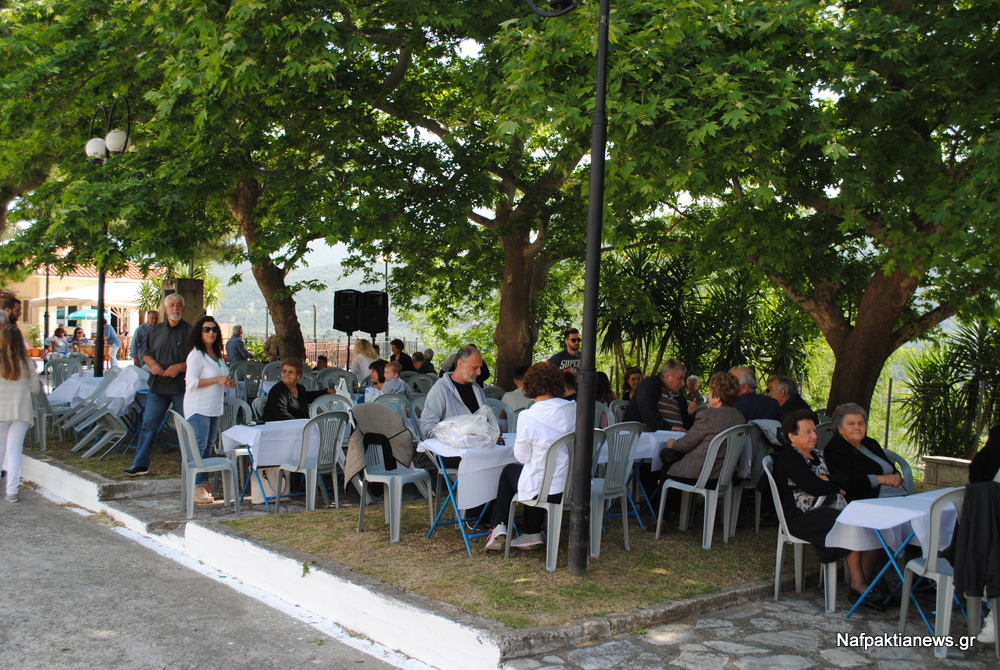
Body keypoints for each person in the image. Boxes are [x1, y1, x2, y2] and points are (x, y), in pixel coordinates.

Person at [773, 409, 884, 610]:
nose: (815, 436)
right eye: (808, 432)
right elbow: (813, 487)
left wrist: (829, 480)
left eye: (814, 431)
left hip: (828, 509)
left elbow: (845, 479)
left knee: (869, 521)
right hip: (802, 517)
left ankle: (866, 581)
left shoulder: (819, 455)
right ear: (792, 436)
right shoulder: (789, 458)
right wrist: (834, 485)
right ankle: (858, 586)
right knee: (847, 522)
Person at [485, 363, 576, 551]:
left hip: (543, 488)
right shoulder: (572, 409)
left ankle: (498, 526)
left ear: (530, 386)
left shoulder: (529, 416)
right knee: (535, 473)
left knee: (511, 471)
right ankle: (531, 531)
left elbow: (521, 456)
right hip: (570, 484)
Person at [658, 372, 745, 519]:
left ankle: (663, 518)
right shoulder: (739, 417)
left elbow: (686, 444)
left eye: (711, 392)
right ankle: (681, 513)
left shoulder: (707, 416)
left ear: (717, 397)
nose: (709, 395)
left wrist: (673, 443)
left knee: (667, 469)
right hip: (725, 474)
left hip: (703, 474)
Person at [125, 294, 194, 476]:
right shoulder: (155, 331)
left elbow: (198, 361)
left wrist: (180, 367)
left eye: (179, 305)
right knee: (149, 425)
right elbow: (146, 353)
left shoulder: (191, 332)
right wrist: (152, 364)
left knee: (184, 428)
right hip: (157, 386)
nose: (175, 308)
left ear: (184, 309)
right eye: (171, 305)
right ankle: (140, 464)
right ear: (165, 309)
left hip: (181, 387)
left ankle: (185, 465)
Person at [184, 316, 236, 503]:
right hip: (199, 407)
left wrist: (226, 382)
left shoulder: (217, 355)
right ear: (199, 332)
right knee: (199, 444)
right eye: (206, 329)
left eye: (214, 329)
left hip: (214, 406)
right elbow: (191, 383)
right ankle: (196, 484)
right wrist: (216, 380)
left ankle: (203, 480)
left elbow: (221, 377)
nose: (211, 332)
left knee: (208, 445)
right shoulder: (196, 355)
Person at [823, 403, 905, 501]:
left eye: (861, 423)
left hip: (900, 495)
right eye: (851, 424)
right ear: (839, 428)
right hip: (872, 500)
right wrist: (882, 479)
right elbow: (849, 481)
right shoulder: (836, 449)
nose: (857, 427)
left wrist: (897, 476)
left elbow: (891, 467)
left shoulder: (870, 443)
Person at [0, 325, 41, 502]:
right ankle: (12, 491)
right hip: (21, 411)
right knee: (15, 451)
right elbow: (35, 389)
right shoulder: (27, 362)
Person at [420, 346, 487, 438]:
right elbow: (427, 425)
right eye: (474, 368)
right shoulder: (441, 388)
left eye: (480, 368)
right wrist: (450, 439)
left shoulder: (477, 389)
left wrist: (496, 429)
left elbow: (489, 417)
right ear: (460, 364)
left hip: (480, 446)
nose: (479, 372)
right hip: (452, 449)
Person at [623, 359, 697, 432]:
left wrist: (691, 414)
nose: (683, 383)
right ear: (667, 376)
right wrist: (669, 428)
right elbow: (648, 413)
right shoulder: (650, 386)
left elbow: (688, 427)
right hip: (646, 439)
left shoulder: (680, 397)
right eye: (680, 378)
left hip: (675, 440)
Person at [262, 357, 338, 421]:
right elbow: (282, 415)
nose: (286, 375)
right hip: (278, 430)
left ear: (298, 376)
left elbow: (308, 396)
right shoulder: (278, 391)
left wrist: (327, 391)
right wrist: (303, 424)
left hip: (298, 427)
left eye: (290, 372)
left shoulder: (300, 388)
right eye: (284, 371)